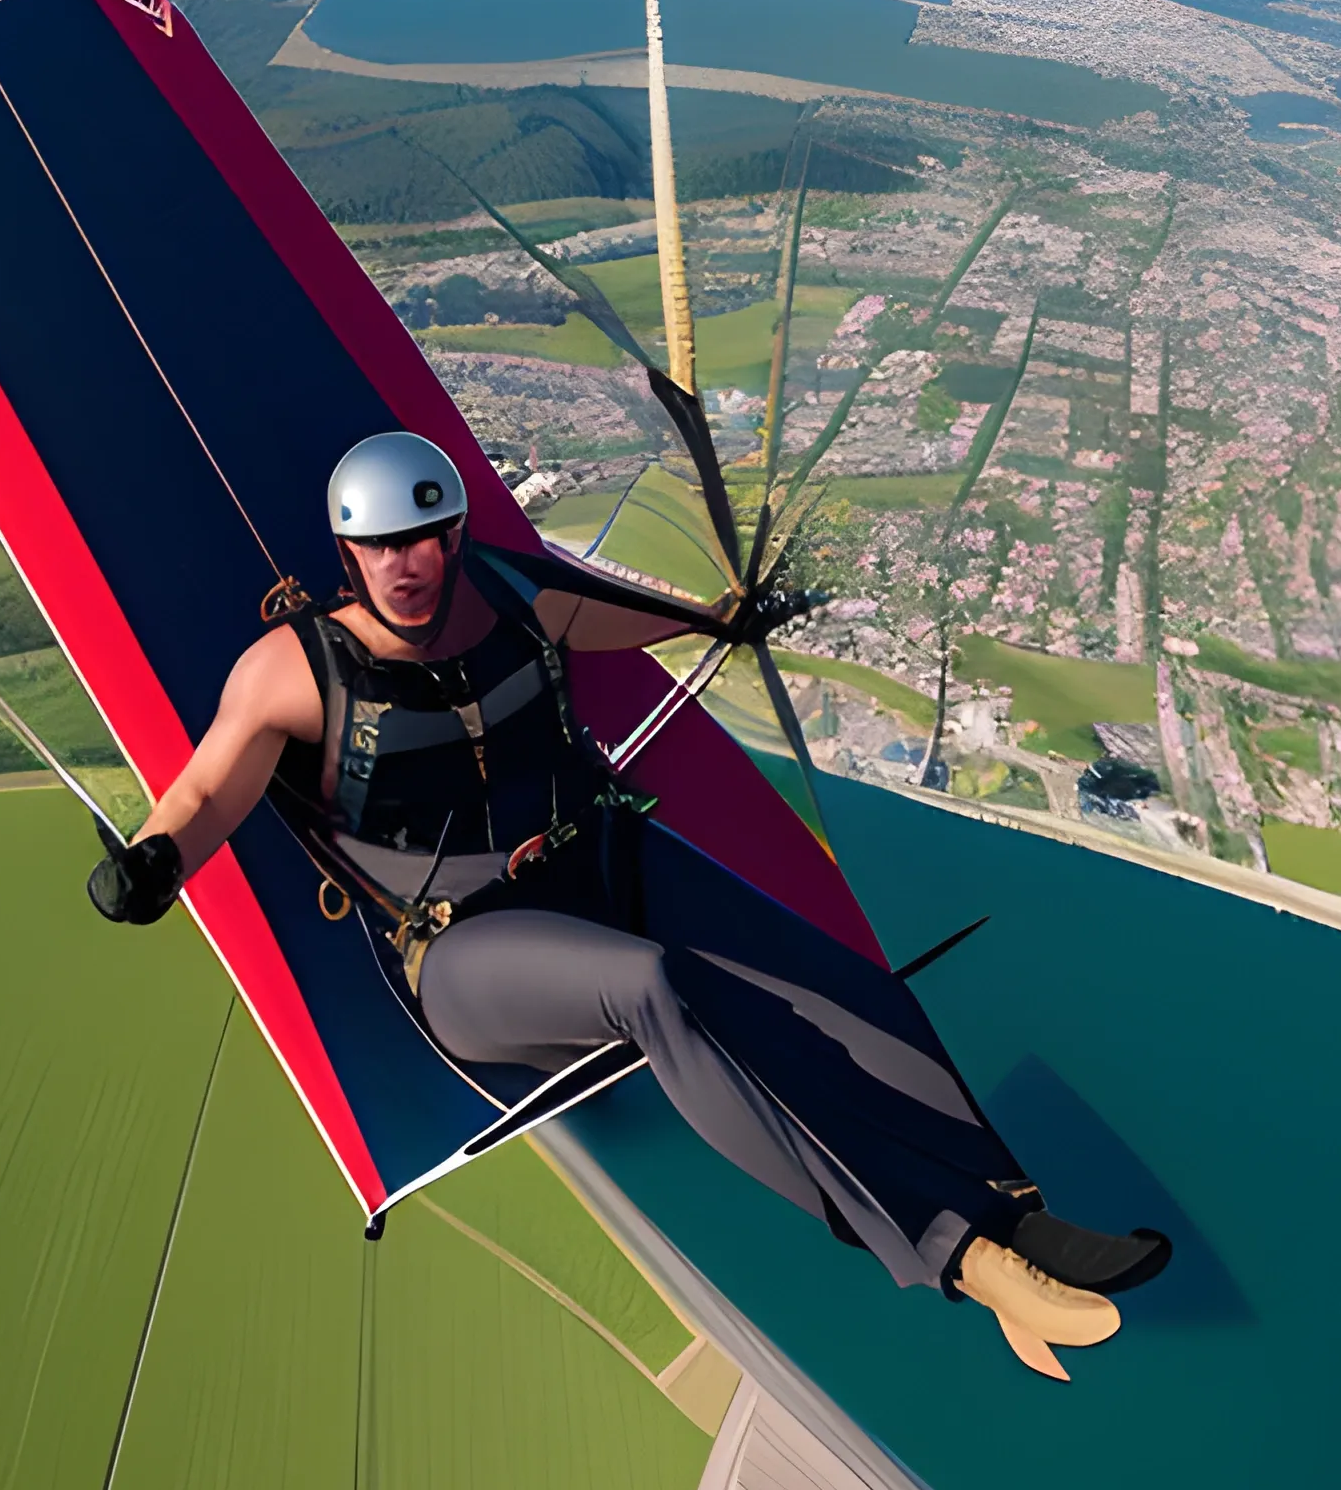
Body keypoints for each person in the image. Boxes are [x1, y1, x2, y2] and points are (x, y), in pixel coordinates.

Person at [89, 431, 1169, 1376]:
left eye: (422, 541)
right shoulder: (292, 672)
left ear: (453, 534)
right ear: (346, 555)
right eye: (378, 548)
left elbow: (616, 620)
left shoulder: (511, 596)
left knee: (833, 981)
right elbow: (205, 787)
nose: (405, 568)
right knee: (650, 986)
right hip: (470, 949)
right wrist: (151, 862)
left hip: (601, 859)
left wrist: (717, 617)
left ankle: (1017, 1210)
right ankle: (958, 1255)